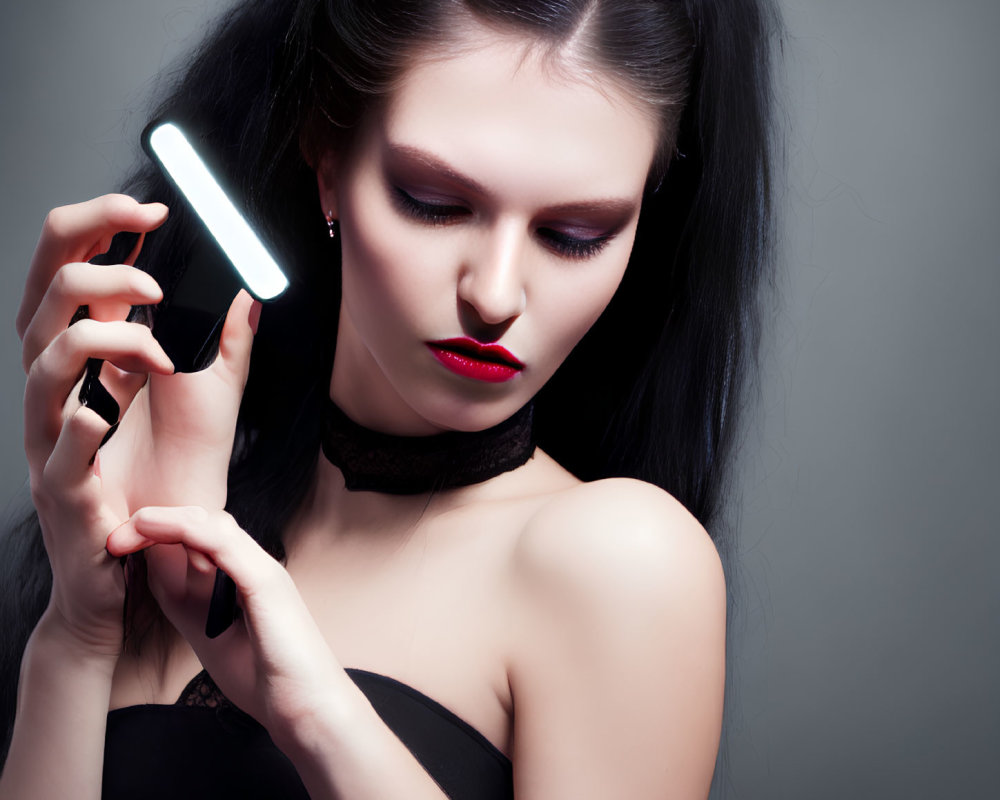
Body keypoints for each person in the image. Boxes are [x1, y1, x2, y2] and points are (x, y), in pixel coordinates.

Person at [0, 0, 779, 797]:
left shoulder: (620, 562)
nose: (496, 295)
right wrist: (77, 628)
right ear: (327, 161)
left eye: (575, 234)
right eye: (435, 202)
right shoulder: (163, 539)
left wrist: (314, 717)